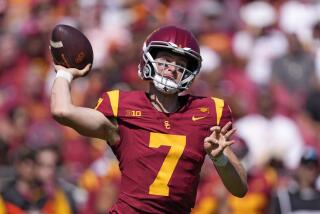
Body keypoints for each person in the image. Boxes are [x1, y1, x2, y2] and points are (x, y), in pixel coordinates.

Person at [50, 25, 247, 213]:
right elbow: (62, 111)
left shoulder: (207, 112)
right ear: (149, 60)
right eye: (166, 61)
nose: (172, 69)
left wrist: (220, 158)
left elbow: (240, 189)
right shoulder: (122, 107)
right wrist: (64, 73)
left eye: (180, 64)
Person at [270, 147, 320, 213]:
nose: (312, 171)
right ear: (299, 169)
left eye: (314, 166)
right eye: (308, 166)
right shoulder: (284, 199)